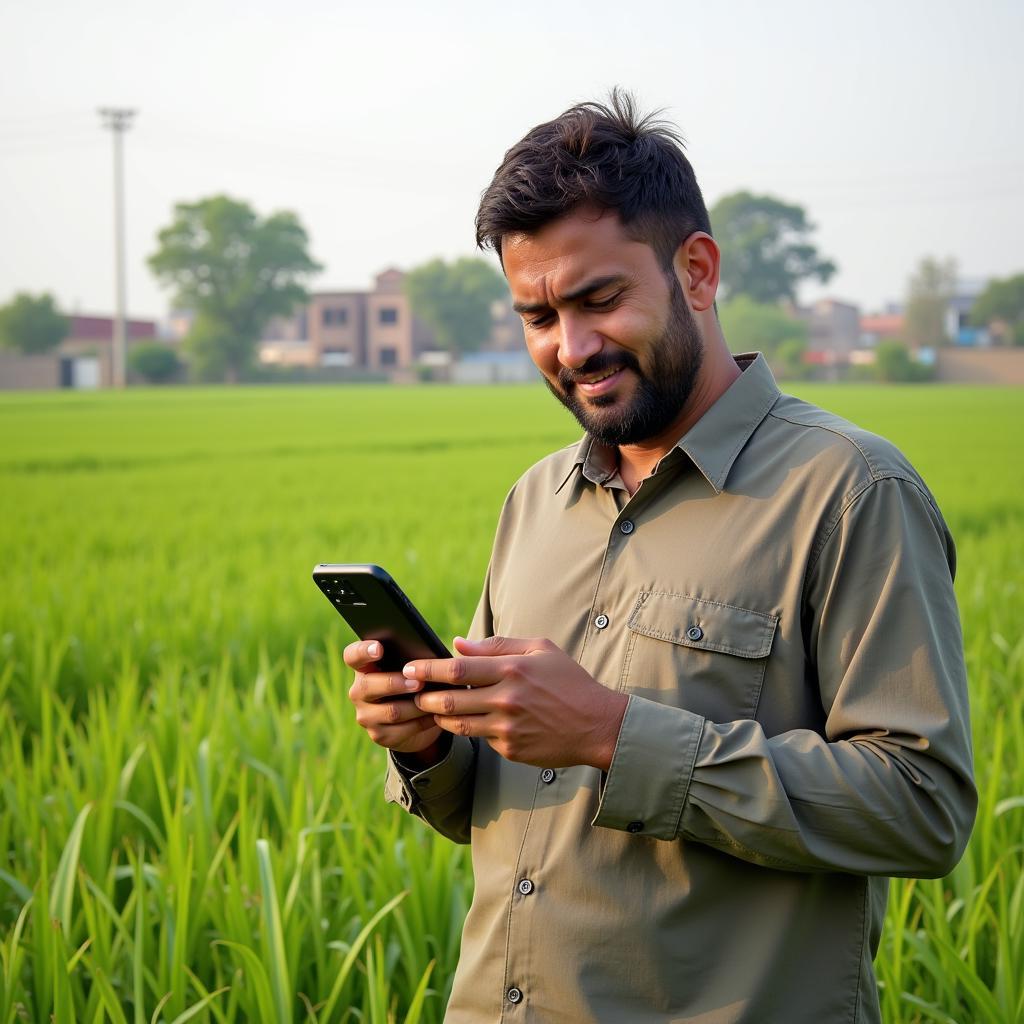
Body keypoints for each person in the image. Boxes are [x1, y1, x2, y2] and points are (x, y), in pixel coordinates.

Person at [344, 91, 976, 1023]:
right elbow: (501, 808)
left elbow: (922, 806)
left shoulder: (850, 492)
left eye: (601, 299)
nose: (574, 347)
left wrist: (611, 732)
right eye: (538, 317)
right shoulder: (535, 501)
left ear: (698, 271)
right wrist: (430, 744)